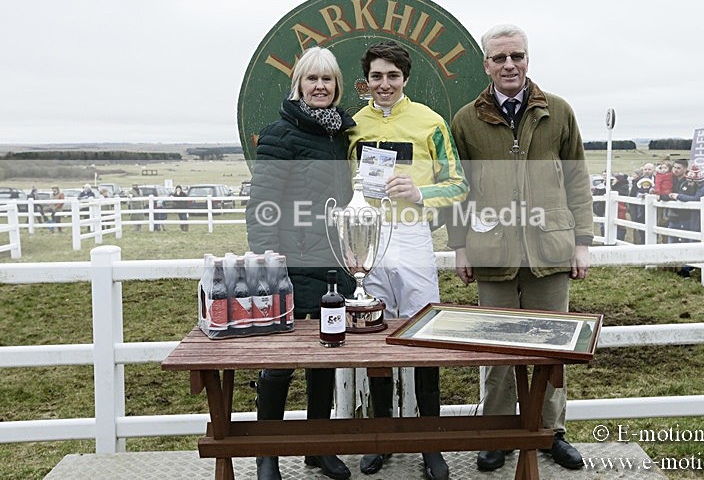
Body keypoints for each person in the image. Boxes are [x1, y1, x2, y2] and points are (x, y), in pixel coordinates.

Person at [447, 23, 592, 472]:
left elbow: (578, 180)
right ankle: (497, 434)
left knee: (552, 352)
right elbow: (458, 189)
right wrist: (459, 247)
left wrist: (582, 242)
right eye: (499, 58)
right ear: (486, 64)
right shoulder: (466, 120)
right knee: (495, 352)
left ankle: (551, 433)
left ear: (527, 59)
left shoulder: (559, 112)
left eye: (517, 56)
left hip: (550, 250)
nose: (509, 65)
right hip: (492, 253)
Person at [348, 40, 468, 480]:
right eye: (377, 76)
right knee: (374, 333)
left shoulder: (430, 122)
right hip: (369, 238)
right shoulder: (354, 124)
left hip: (414, 235)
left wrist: (421, 193)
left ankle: (429, 444)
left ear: (405, 79)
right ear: (367, 81)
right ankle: (382, 438)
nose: (384, 84)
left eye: (392, 76)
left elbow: (458, 184)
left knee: (425, 335)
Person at [245, 46, 356, 480]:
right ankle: (267, 453)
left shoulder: (340, 135)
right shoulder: (281, 133)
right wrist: (268, 259)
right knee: (279, 358)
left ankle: (318, 446)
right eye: (312, 79)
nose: (320, 87)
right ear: (299, 85)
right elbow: (262, 203)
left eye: (327, 79)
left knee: (325, 354)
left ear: (337, 86)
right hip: (289, 262)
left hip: (333, 261)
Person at [665, 164, 704, 277]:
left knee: (696, 242)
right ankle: (689, 267)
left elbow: (696, 199)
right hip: (697, 219)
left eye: (691, 181)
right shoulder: (701, 186)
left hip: (702, 219)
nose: (689, 184)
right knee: (693, 241)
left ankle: (692, 268)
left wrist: (678, 196)